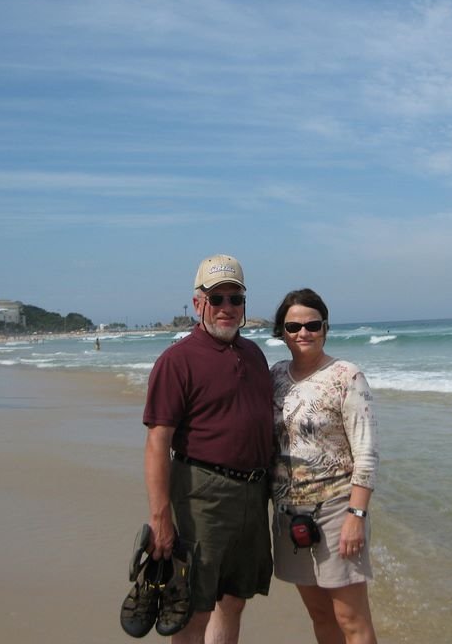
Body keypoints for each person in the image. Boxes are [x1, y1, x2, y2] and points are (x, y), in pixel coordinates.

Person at [142, 254, 274, 643]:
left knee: (234, 600)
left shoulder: (255, 355)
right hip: (202, 495)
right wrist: (160, 517)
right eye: (217, 299)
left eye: (235, 299)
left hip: (254, 494)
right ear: (198, 303)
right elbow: (157, 442)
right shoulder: (177, 361)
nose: (227, 309)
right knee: (191, 608)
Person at [270, 288, 379, 644]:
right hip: (288, 513)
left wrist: (356, 517)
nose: (303, 333)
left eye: (312, 325)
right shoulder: (274, 377)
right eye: (293, 327)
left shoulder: (346, 376)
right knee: (319, 614)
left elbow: (366, 453)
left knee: (350, 618)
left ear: (325, 327)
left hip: (336, 511)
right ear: (281, 332)